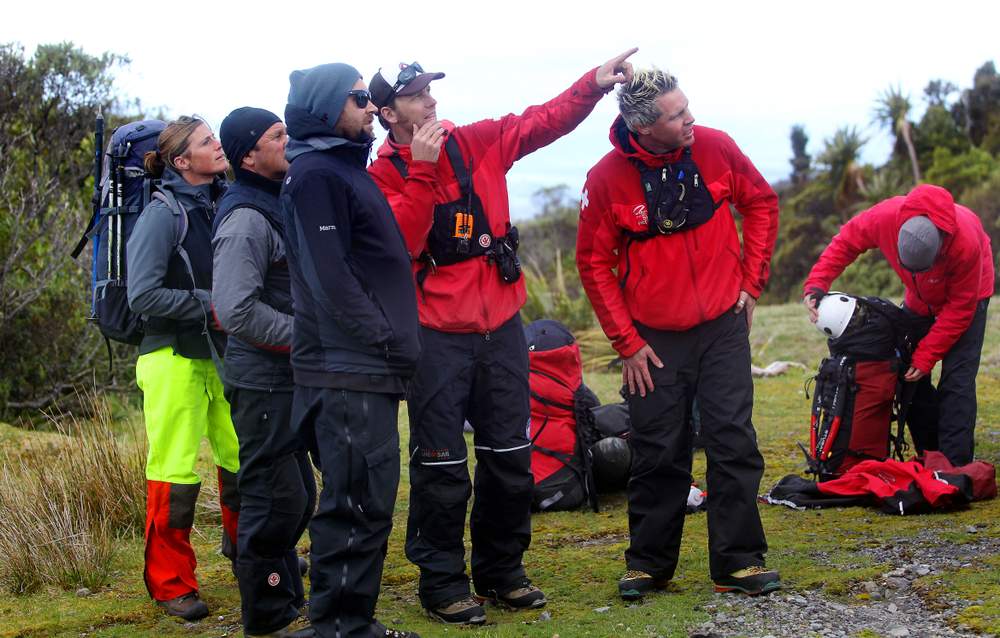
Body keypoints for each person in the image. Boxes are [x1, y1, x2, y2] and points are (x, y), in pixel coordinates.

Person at [366, 48, 637, 625]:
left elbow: (542, 121)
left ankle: (501, 571)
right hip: (436, 338)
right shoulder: (381, 176)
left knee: (511, 457)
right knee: (441, 466)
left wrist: (592, 84)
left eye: (430, 90)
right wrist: (421, 170)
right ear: (388, 114)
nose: (431, 101)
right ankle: (442, 583)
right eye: (416, 95)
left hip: (503, 330)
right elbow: (401, 245)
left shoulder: (475, 141)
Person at [575, 67, 781, 599]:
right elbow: (593, 263)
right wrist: (627, 342)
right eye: (678, 114)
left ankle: (739, 561)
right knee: (657, 449)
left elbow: (761, 203)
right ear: (644, 127)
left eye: (687, 107)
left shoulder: (716, 146)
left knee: (733, 439)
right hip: (652, 342)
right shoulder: (605, 179)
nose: (691, 119)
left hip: (722, 327)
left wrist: (751, 285)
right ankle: (648, 565)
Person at [281, 62, 422, 638]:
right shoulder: (316, 176)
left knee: (368, 499)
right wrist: (386, 338)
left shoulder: (340, 169)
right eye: (358, 98)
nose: (369, 107)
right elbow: (330, 279)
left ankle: (349, 623)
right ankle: (340, 627)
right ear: (324, 108)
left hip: (361, 368)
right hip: (347, 370)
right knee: (355, 504)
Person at [127, 115, 238, 620]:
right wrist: (210, 304)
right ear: (181, 160)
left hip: (223, 353)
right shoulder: (161, 215)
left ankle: (252, 554)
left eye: (215, 137)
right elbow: (142, 295)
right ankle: (171, 583)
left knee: (242, 459)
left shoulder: (225, 202)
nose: (217, 145)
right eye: (206, 141)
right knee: (173, 471)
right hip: (171, 357)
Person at [213, 107, 315, 638]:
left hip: (285, 378)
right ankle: (268, 617)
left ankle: (287, 602)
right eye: (277, 135)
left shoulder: (274, 200)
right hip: (262, 382)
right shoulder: (246, 219)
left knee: (298, 497)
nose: (287, 139)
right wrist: (309, 336)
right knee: (274, 500)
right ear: (249, 155)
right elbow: (235, 309)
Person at [803, 184, 994, 467]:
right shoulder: (885, 217)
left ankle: (955, 467)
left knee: (957, 380)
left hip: (970, 296)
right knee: (908, 374)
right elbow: (846, 241)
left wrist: (927, 355)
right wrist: (817, 282)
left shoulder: (965, 244)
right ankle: (931, 452)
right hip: (919, 297)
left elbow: (960, 308)